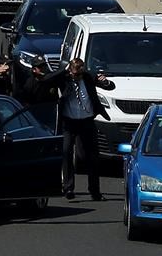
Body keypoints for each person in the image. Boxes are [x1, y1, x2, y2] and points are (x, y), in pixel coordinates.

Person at [41, 58, 115, 201]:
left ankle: (95, 191)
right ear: (70, 71)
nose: (78, 77)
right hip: (69, 122)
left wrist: (106, 82)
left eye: (80, 73)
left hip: (87, 121)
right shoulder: (64, 78)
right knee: (66, 152)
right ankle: (68, 188)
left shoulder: (87, 77)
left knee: (92, 156)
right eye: (76, 74)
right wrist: (63, 71)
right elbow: (45, 80)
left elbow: (109, 86)